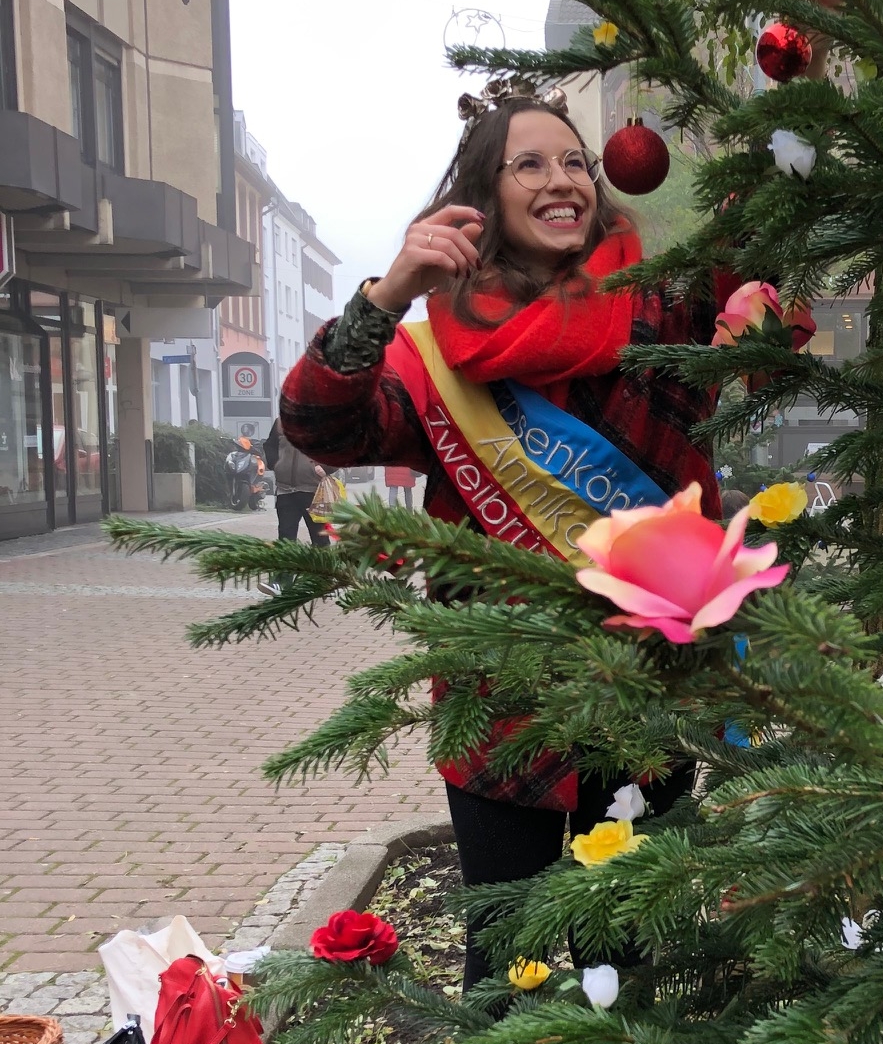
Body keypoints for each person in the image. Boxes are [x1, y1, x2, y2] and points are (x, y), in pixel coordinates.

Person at [279, 91, 779, 990]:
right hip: (500, 702)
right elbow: (320, 423)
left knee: (628, 955)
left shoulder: (661, 312)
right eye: (531, 164)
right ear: (486, 195)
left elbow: (761, 234)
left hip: (649, 686)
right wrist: (388, 294)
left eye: (575, 162)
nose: (563, 181)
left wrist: (778, 87)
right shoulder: (434, 356)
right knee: (504, 958)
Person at [264, 417, 327, 542]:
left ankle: (321, 555)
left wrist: (326, 468)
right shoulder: (281, 422)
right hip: (285, 491)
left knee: (320, 538)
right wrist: (275, 464)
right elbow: (270, 446)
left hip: (314, 492)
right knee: (286, 539)